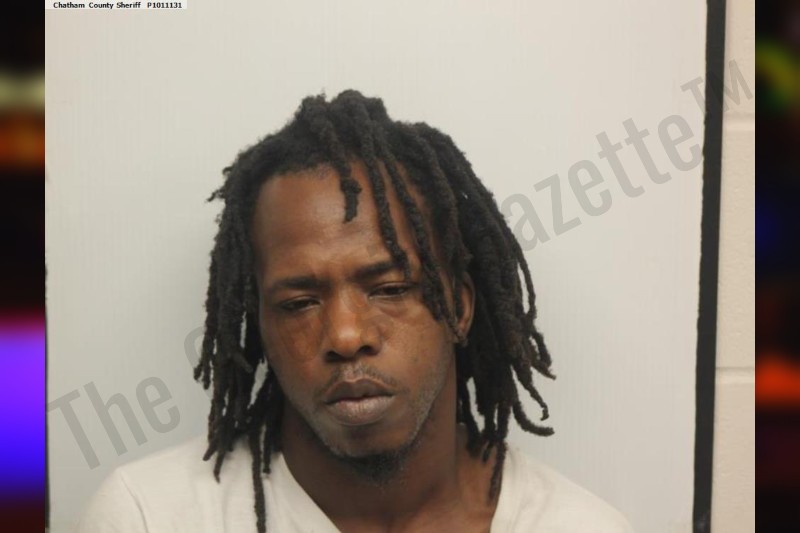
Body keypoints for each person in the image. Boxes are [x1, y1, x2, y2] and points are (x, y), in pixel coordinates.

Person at [78, 90, 633, 532]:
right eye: (298, 303)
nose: (345, 335)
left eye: (389, 288)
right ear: (261, 326)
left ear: (459, 307)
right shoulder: (147, 518)